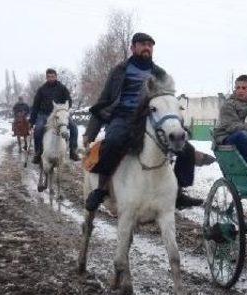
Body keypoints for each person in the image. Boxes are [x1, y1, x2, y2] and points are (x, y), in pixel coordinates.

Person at [83, 32, 213, 212]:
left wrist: (177, 125)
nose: (147, 47)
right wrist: (90, 132)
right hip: (122, 117)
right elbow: (103, 100)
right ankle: (100, 190)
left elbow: (168, 102)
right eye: (142, 44)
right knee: (112, 142)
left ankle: (178, 193)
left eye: (150, 45)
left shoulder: (159, 74)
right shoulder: (120, 70)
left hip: (150, 118)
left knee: (185, 148)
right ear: (133, 47)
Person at [213, 74, 247, 167]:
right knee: (242, 135)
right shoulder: (228, 105)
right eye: (238, 87)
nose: (240, 90)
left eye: (244, 88)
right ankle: (246, 168)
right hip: (226, 136)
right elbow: (232, 126)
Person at [30, 68, 80, 163]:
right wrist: (32, 121)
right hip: (44, 114)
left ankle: (73, 151)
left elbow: (69, 100)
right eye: (49, 77)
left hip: (59, 113)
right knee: (38, 129)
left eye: (53, 76)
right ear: (46, 77)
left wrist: (64, 108)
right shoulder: (41, 89)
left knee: (74, 127)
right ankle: (38, 152)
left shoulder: (62, 88)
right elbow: (35, 106)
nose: (51, 78)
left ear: (56, 76)